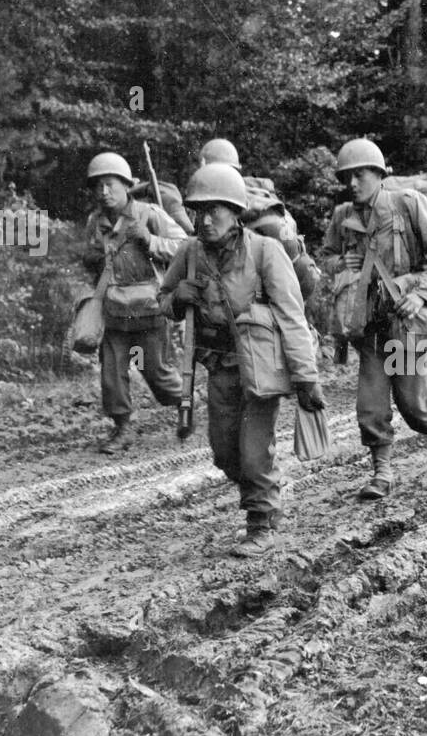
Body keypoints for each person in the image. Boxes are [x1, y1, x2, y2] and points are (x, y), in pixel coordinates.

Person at [159, 164, 323, 556]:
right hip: (219, 367)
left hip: (262, 369)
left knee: (252, 451)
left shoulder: (265, 252)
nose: (206, 218)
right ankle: (265, 493)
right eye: (199, 210)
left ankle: (261, 522)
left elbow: (291, 317)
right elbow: (163, 303)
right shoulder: (189, 252)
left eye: (215, 209)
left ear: (235, 212)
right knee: (224, 452)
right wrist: (177, 298)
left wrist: (306, 377)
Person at [324, 138, 427, 499]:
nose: (352, 183)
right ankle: (382, 475)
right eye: (347, 177)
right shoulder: (344, 217)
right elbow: (324, 258)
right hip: (368, 323)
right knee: (370, 406)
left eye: (360, 175)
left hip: (407, 323)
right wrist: (341, 264)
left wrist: (419, 294)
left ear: (378, 174)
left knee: (414, 408)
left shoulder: (407, 204)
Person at [81, 151, 187, 453]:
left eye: (110, 185)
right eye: (98, 186)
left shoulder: (149, 214)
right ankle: (122, 428)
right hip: (114, 310)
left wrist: (151, 241)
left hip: (150, 309)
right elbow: (89, 258)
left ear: (126, 185)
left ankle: (184, 403)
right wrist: (93, 258)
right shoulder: (96, 223)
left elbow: (185, 247)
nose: (103, 193)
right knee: (112, 374)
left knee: (158, 374)